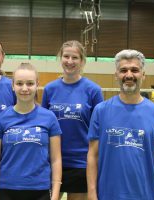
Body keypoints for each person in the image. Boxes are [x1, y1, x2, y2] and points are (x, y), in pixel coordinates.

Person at [87, 49, 154, 200]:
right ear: (116, 75)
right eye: (123, 70)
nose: (129, 75)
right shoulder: (100, 110)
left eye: (134, 70)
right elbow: (93, 156)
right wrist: (92, 194)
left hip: (145, 195)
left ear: (143, 75)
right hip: (106, 195)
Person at [0, 63, 62, 200]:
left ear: (37, 84)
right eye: (20, 83)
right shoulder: (0, 119)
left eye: (30, 83)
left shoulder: (49, 118)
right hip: (7, 190)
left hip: (40, 190)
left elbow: (56, 159)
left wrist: (56, 194)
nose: (24, 88)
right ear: (12, 85)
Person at [42, 40, 103, 200]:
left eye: (74, 57)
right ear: (60, 58)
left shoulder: (93, 90)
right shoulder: (50, 89)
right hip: (53, 161)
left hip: (81, 163)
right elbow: (43, 125)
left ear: (82, 61)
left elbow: (99, 129)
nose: (69, 61)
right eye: (66, 56)